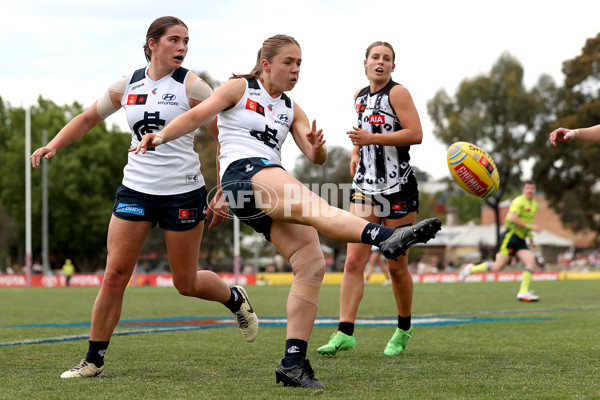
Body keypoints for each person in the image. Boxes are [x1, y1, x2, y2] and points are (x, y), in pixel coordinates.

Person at [133, 34, 441, 388]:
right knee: (314, 206)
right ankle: (386, 236)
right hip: (244, 175)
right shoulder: (239, 88)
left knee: (311, 263)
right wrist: (159, 136)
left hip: (264, 185)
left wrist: (317, 147)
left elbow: (315, 158)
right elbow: (197, 116)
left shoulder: (292, 108)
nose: (295, 70)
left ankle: (292, 363)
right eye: (288, 62)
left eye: (299, 64)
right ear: (266, 64)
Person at [29, 16, 258, 379]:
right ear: (152, 43)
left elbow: (223, 135)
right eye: (174, 40)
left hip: (183, 191)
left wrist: (225, 191)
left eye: (186, 41)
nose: (182, 47)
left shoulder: (193, 86)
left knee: (185, 283)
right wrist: (53, 144)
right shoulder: (128, 84)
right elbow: (88, 118)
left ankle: (234, 298)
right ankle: (93, 360)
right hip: (135, 189)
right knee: (115, 274)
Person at [317, 41, 425, 358]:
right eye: (375, 57)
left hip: (399, 188)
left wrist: (371, 139)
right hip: (364, 188)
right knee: (353, 262)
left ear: (393, 66)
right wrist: (355, 151)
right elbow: (363, 131)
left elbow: (416, 134)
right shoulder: (359, 97)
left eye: (387, 59)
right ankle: (344, 332)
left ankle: (403, 328)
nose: (380, 62)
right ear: (364, 63)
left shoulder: (398, 94)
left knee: (396, 265)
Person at [459, 181, 542, 301]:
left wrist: (529, 235)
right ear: (523, 190)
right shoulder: (518, 201)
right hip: (510, 236)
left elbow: (527, 222)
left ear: (535, 191)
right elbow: (513, 218)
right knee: (498, 266)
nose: (530, 190)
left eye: (532, 188)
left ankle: (523, 292)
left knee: (531, 263)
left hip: (521, 238)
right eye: (528, 188)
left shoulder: (534, 205)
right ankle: (470, 269)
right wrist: (531, 228)